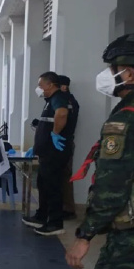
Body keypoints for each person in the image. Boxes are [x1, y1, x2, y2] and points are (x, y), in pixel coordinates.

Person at [63, 34, 134, 269]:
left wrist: (85, 236)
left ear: (130, 73)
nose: (109, 75)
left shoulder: (127, 118)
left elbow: (112, 186)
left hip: (132, 240)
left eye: (113, 69)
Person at [22, 71, 71, 236]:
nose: (38, 88)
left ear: (50, 85)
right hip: (46, 152)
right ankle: (41, 216)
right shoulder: (50, 101)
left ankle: (55, 223)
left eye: (40, 85)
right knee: (43, 184)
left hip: (54, 153)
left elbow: (62, 113)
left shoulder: (59, 98)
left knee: (53, 187)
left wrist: (55, 134)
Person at [59, 75, 80, 220]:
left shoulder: (68, 102)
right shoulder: (66, 100)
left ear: (64, 86)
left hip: (64, 142)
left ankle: (67, 209)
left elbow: (64, 122)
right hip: (63, 142)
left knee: (64, 176)